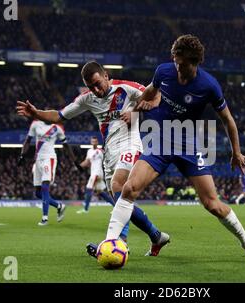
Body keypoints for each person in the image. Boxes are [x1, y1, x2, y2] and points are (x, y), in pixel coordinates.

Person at [100, 34, 245, 263]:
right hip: (159, 139)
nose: (178, 68)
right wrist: (136, 110)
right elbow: (149, 93)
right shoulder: (164, 71)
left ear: (195, 62)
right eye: (175, 62)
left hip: (188, 144)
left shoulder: (209, 86)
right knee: (129, 188)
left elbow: (228, 120)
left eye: (182, 64)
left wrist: (236, 152)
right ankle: (110, 242)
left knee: (212, 204)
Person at [16, 61, 168, 255]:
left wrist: (137, 112)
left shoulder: (126, 88)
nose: (96, 90)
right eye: (91, 87)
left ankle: (117, 243)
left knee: (118, 186)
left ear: (106, 75)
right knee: (121, 200)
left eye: (98, 83)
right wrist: (36, 113)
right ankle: (156, 236)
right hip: (109, 154)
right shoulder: (86, 99)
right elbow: (59, 116)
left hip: (131, 144)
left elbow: (156, 96)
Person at [18, 120, 78, 226]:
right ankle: (59, 206)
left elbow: (66, 145)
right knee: (37, 193)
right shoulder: (35, 124)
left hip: (49, 158)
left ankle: (45, 218)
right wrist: (22, 155)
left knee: (45, 187)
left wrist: (74, 161)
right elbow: (27, 140)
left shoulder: (57, 128)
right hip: (38, 160)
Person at [76, 136, 116, 214]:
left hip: (97, 173)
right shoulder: (89, 151)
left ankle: (86, 209)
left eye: (95, 141)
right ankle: (116, 206)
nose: (94, 143)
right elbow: (87, 161)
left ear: (97, 142)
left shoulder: (100, 151)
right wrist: (79, 166)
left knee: (88, 188)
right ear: (91, 142)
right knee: (101, 192)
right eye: (92, 141)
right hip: (94, 172)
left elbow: (107, 158)